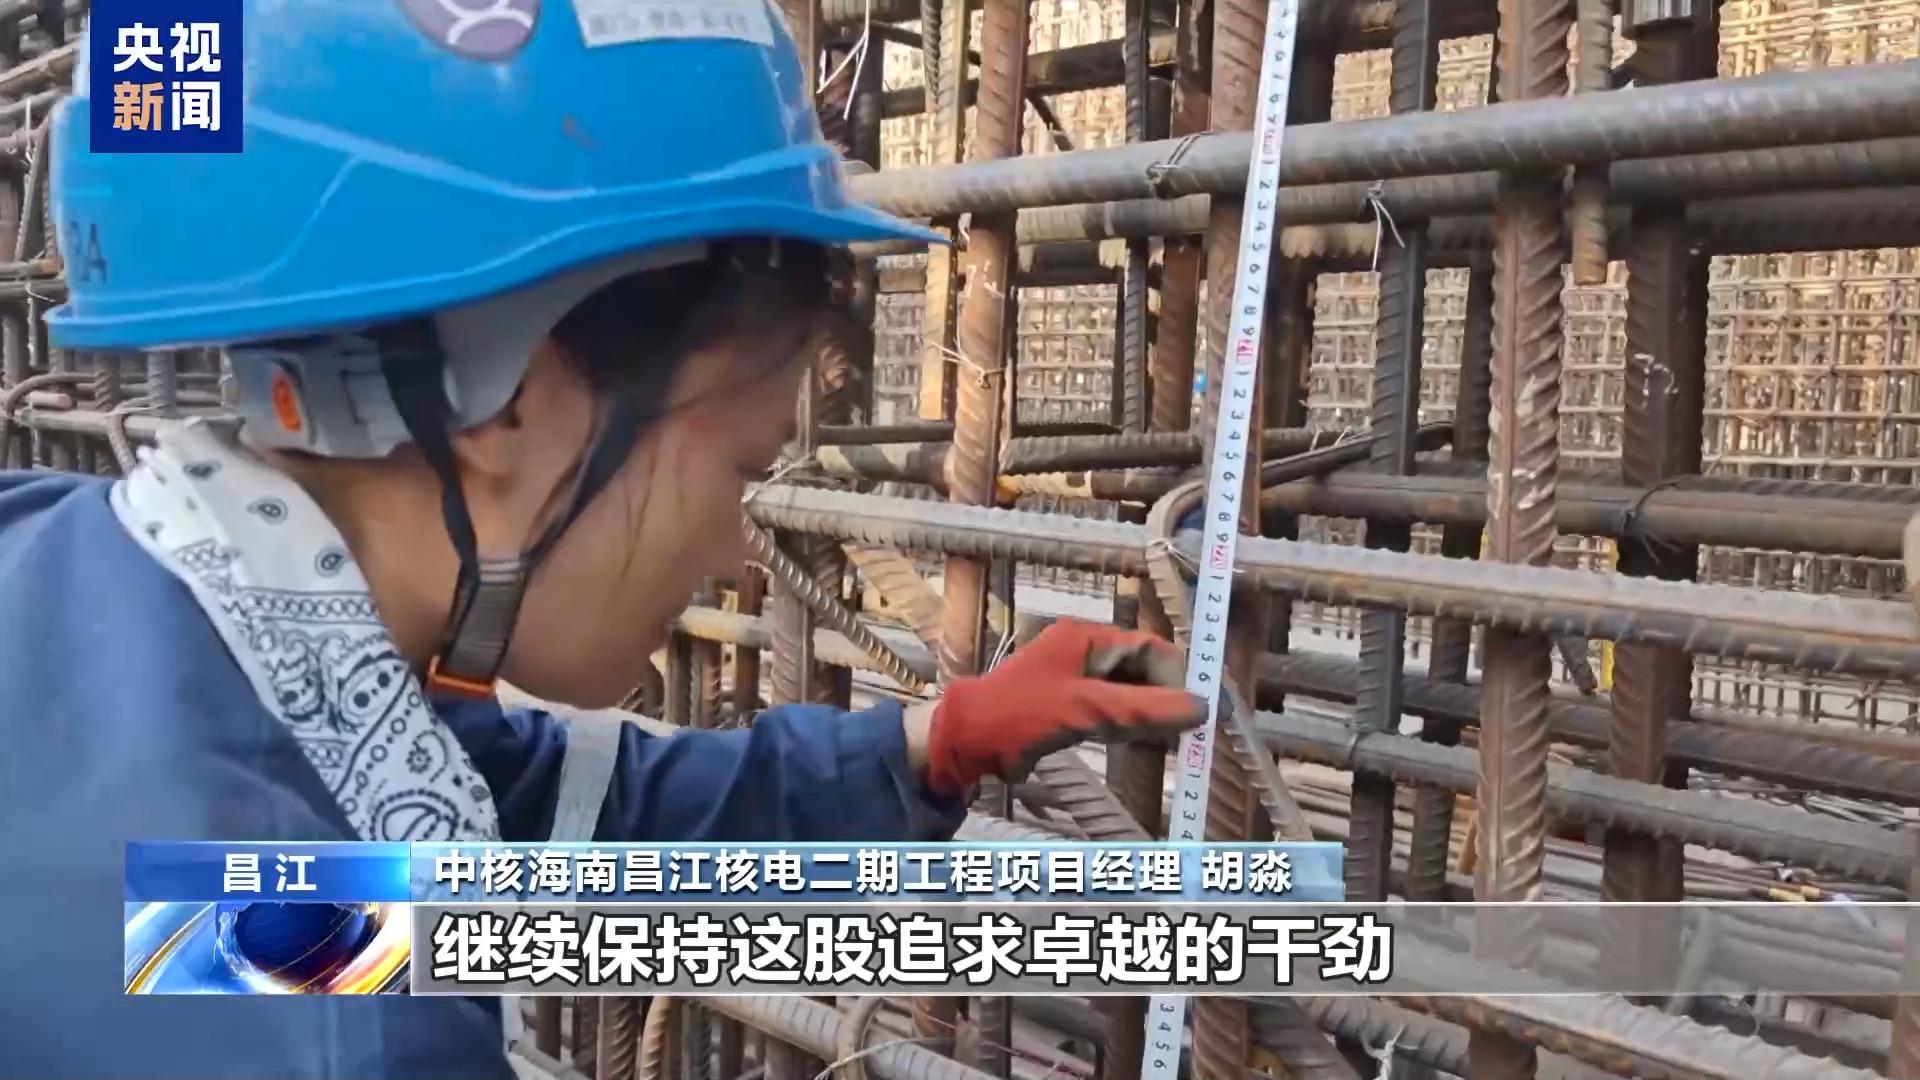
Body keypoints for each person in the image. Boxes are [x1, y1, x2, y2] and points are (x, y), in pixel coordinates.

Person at [0, 4, 1207, 1078]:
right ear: (510, 404)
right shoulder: (313, 1021)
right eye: (738, 466)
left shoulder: (114, 594)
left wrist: (931, 744)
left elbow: (541, 802)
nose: (732, 548)